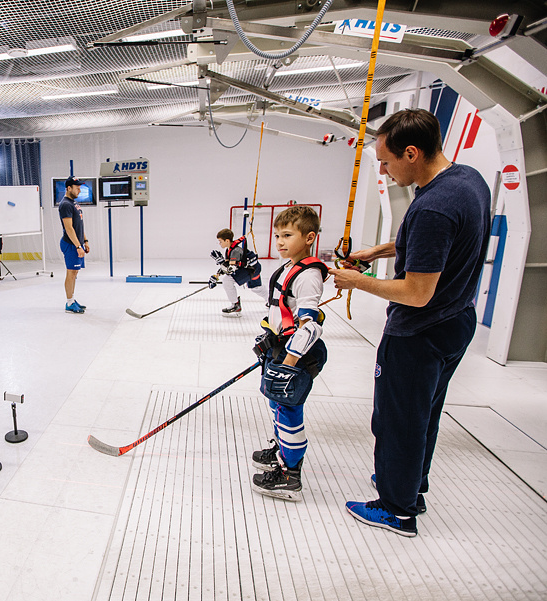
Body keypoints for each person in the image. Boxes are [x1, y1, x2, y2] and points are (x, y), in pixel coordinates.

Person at [332, 108, 490, 537]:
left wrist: (356, 281)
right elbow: (429, 244)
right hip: (457, 320)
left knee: (397, 420)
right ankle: (410, 486)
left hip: (420, 332)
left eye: (386, 162)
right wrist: (377, 252)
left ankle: (396, 509)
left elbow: (417, 292)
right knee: (424, 413)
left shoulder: (432, 207)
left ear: (412, 153)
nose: (383, 171)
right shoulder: (466, 181)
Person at [250, 205, 328, 501]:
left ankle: (290, 474)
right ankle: (282, 450)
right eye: (277, 236)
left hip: (295, 356)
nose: (280, 241)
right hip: (280, 350)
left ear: (309, 237)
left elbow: (310, 325)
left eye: (287, 235)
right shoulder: (288, 267)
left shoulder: (308, 275)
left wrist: (289, 363)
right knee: (276, 405)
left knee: (288, 412)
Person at [209, 228, 262, 315]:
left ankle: (235, 305)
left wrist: (221, 262)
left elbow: (230, 270)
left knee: (227, 280)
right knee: (256, 288)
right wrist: (216, 276)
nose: (219, 243)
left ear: (227, 240)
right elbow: (227, 265)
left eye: (220, 241)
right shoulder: (229, 250)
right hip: (253, 268)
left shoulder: (235, 251)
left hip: (251, 270)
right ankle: (270, 300)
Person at [58, 176, 89, 314]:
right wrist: (77, 246)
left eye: (80, 188)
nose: (79, 190)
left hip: (77, 243)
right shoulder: (65, 204)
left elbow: (79, 225)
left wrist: (85, 241)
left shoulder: (74, 203)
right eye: (77, 188)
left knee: (75, 272)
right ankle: (69, 303)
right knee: (71, 273)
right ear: (69, 188)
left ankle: (72, 299)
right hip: (71, 244)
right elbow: (69, 228)